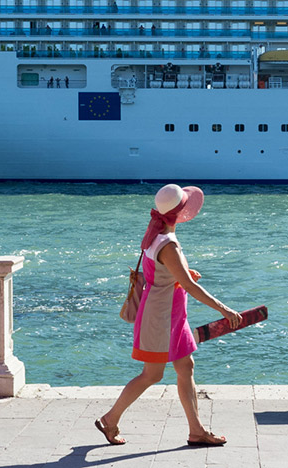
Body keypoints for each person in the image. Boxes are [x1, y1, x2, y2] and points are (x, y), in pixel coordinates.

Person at [96, 184, 242, 447]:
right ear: (180, 212)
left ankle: (196, 431)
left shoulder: (157, 235)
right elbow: (188, 285)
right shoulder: (168, 243)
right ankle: (110, 419)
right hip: (160, 318)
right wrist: (223, 309)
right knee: (152, 374)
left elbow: (163, 273)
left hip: (171, 316)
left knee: (185, 367)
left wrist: (183, 274)